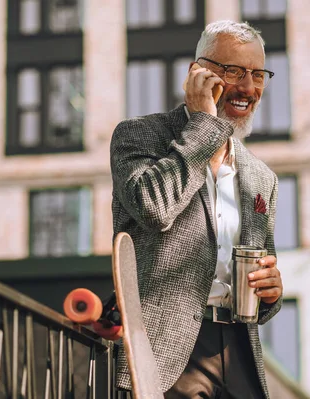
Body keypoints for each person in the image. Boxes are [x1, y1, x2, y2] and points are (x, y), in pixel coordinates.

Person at [109, 20, 284, 398]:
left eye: (258, 74)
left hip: (239, 348)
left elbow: (261, 272)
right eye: (234, 71)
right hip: (166, 350)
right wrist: (204, 126)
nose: (248, 88)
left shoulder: (261, 177)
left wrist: (271, 294)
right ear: (197, 73)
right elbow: (154, 207)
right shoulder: (138, 135)